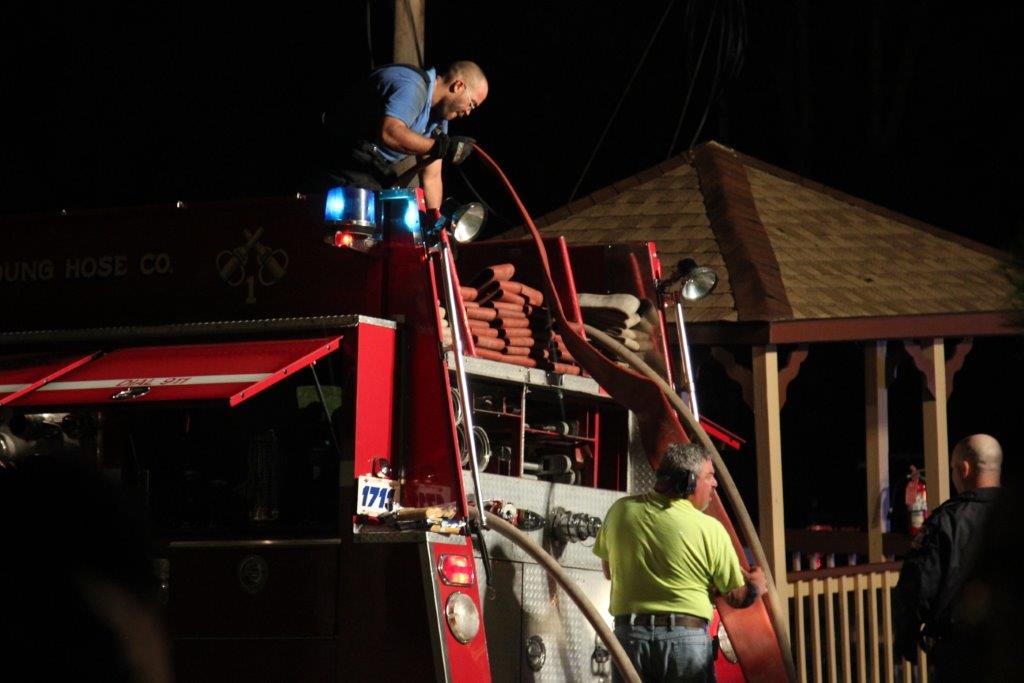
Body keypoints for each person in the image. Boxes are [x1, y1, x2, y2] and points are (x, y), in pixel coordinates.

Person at [593, 442, 766, 682]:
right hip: (685, 641)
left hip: (629, 641)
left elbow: (609, 571)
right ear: (690, 482)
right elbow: (737, 596)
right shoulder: (709, 529)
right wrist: (757, 585)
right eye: (710, 476)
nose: (715, 484)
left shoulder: (619, 512)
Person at [893, 433, 1003, 674]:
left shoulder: (945, 522)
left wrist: (906, 637)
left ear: (964, 469)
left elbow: (917, 586)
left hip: (962, 656)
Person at [322, 60, 488, 214]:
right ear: (458, 86)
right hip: (341, 154)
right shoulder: (412, 85)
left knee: (402, 214)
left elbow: (432, 177)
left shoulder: (438, 119)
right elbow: (390, 133)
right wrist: (441, 148)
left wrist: (435, 223)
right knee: (378, 219)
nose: (468, 112)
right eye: (471, 103)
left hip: (371, 167)